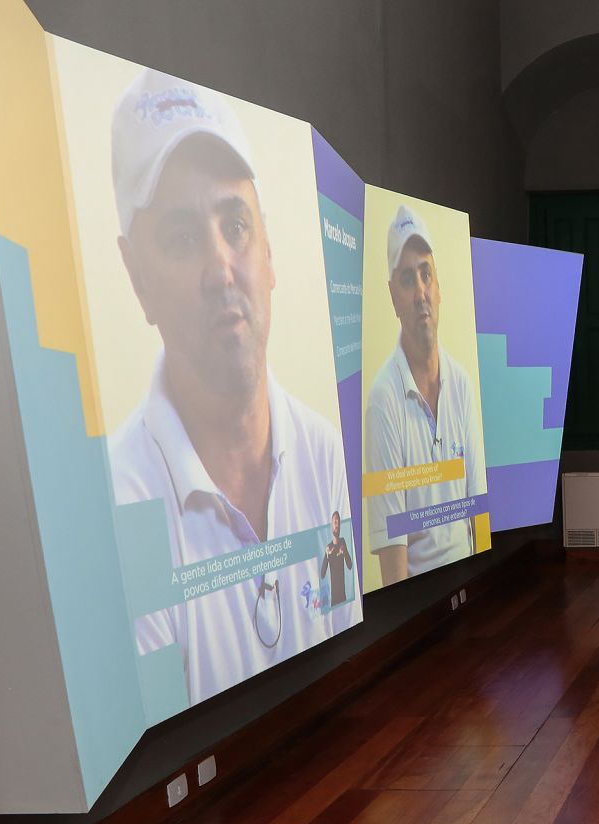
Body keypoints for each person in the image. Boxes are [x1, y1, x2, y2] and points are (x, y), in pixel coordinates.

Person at [107, 69, 361, 706]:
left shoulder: (323, 452)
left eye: (236, 225)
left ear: (269, 252)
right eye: (182, 237)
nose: (221, 268)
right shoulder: (117, 509)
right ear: (137, 278)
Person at [365, 204, 488, 584]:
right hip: (422, 598)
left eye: (426, 274)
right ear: (393, 296)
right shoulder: (382, 402)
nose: (420, 292)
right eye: (407, 279)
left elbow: (478, 512)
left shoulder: (462, 384)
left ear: (439, 287)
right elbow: (393, 561)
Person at [319, 510, 354, 607]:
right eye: (335, 522)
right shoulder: (328, 548)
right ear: (331, 525)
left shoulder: (343, 542)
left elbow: (350, 566)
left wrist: (344, 552)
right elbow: (322, 574)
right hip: (334, 599)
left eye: (338, 523)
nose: (337, 525)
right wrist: (327, 556)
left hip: (343, 596)